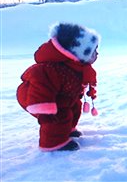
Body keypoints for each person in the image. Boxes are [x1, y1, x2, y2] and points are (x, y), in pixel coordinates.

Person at [16, 22, 101, 151]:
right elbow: (40, 86)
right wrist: (45, 107)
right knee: (57, 115)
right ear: (77, 53)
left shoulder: (77, 66)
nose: (97, 54)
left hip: (62, 95)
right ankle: (52, 142)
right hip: (36, 95)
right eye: (93, 51)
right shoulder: (49, 69)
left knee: (74, 107)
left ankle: (67, 130)